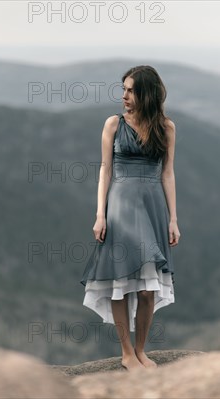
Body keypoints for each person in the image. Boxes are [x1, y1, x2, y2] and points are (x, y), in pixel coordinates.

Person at [80, 65, 181, 371]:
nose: (124, 95)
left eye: (130, 90)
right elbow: (105, 170)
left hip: (152, 207)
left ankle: (140, 350)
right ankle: (126, 353)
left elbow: (167, 173)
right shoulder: (113, 124)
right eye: (123, 89)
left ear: (146, 93)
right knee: (120, 281)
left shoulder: (167, 128)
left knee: (148, 288)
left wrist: (173, 218)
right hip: (120, 205)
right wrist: (100, 214)